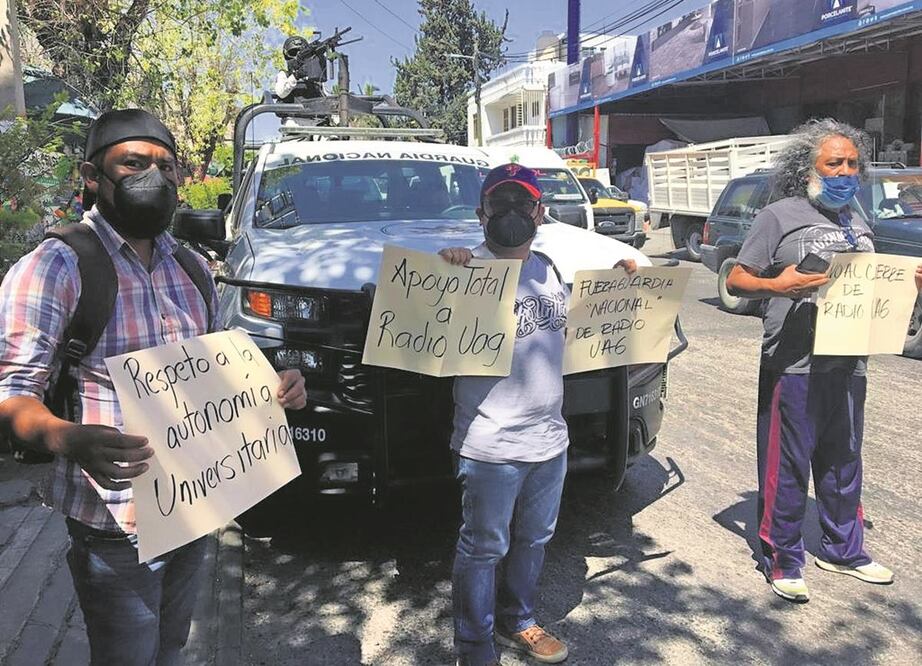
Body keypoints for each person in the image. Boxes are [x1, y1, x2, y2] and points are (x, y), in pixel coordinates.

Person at [0, 109, 307, 665]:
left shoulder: (191, 268)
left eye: (167, 167)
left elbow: (215, 370)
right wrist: (69, 438)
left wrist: (272, 385)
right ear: (92, 176)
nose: (155, 178)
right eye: (135, 164)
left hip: (193, 506)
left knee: (170, 650)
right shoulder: (55, 267)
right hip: (113, 522)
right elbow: (10, 393)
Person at [440, 163, 634, 666]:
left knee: (535, 539)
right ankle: (474, 645)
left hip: (550, 441)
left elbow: (576, 334)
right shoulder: (460, 272)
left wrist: (617, 289)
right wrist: (444, 270)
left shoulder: (549, 269)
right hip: (490, 446)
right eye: (499, 202)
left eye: (522, 203)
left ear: (540, 212)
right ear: (481, 213)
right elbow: (424, 326)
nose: (511, 212)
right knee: (483, 548)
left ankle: (518, 620)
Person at [725, 119, 922, 604]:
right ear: (807, 169)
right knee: (789, 465)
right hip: (795, 361)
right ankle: (783, 557)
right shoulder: (778, 216)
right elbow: (737, 279)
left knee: (843, 460)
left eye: (853, 163)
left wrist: (908, 285)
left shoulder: (857, 219)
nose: (845, 172)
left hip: (850, 361)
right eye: (834, 163)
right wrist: (777, 285)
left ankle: (844, 550)